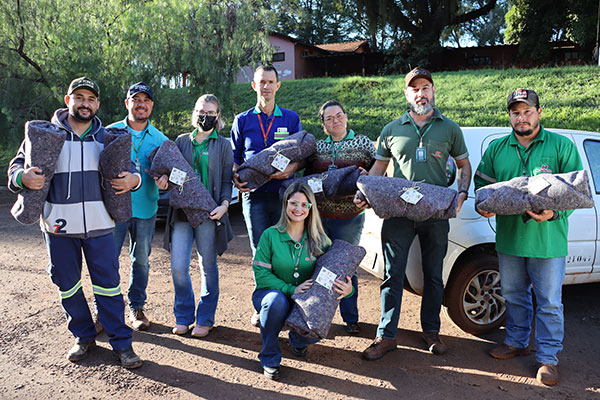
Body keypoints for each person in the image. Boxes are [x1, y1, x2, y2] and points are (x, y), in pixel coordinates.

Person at [7, 77, 143, 368]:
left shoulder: (108, 137)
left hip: (101, 226)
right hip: (58, 227)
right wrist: (22, 178)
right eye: (79, 97)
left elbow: (130, 168)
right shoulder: (45, 135)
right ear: (68, 100)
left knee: (108, 286)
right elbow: (17, 165)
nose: (85, 103)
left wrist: (135, 179)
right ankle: (83, 336)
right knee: (67, 284)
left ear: (97, 105)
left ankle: (121, 343)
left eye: (91, 99)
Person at [354, 67, 471, 360]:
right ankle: (386, 335)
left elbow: (464, 165)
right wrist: (365, 191)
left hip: (435, 214)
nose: (421, 93)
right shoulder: (392, 129)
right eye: (415, 89)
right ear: (407, 94)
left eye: (426, 87)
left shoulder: (450, 128)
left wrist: (462, 192)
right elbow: (379, 169)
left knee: (433, 276)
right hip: (398, 213)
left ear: (434, 91)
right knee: (392, 275)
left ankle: (431, 331)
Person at [474, 89, 582, 386]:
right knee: (513, 295)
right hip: (510, 240)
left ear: (539, 111)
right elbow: (482, 185)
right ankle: (517, 341)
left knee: (548, 302)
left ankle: (548, 359)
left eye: (527, 111)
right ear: (509, 115)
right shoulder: (498, 148)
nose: (521, 118)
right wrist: (485, 206)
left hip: (548, 242)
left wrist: (554, 215)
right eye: (515, 112)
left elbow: (575, 194)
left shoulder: (560, 146)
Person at [252, 182, 353, 380]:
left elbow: (337, 276)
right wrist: (290, 289)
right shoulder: (270, 235)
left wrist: (348, 290)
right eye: (293, 203)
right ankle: (270, 357)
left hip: (305, 300)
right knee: (275, 302)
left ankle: (297, 341)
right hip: (272, 293)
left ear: (311, 208)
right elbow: (261, 275)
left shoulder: (321, 240)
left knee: (319, 322)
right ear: (285, 204)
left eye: (304, 205)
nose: (298, 209)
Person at [231, 65, 303, 326]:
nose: (266, 87)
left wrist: (290, 171)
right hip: (254, 198)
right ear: (254, 85)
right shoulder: (242, 120)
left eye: (271, 82)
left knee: (288, 251)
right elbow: (236, 159)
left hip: (285, 197)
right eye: (262, 82)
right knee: (260, 252)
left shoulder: (291, 119)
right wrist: (236, 177)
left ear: (278, 85)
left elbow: (301, 156)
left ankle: (290, 303)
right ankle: (263, 303)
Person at [304, 100, 375, 334]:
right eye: (329, 119)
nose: (335, 121)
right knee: (318, 264)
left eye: (339, 116)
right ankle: (316, 312)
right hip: (319, 216)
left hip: (350, 217)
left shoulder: (362, 142)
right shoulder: (317, 147)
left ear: (346, 116)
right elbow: (307, 177)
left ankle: (350, 317)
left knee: (345, 265)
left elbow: (379, 169)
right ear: (323, 125)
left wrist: (368, 173)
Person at [165, 94, 234, 338]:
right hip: (183, 214)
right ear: (194, 113)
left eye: (209, 113)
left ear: (217, 116)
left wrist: (225, 205)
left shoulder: (224, 145)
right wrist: (164, 180)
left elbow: (227, 181)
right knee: (178, 267)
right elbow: (171, 174)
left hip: (209, 214)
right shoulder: (181, 141)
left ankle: (205, 317)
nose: (204, 116)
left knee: (208, 266)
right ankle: (183, 316)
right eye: (200, 111)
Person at [107, 82, 169, 331]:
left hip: (145, 210)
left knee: (141, 260)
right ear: (127, 103)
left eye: (146, 100)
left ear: (151, 105)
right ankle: (106, 310)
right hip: (113, 209)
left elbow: (169, 176)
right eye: (136, 99)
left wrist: (165, 182)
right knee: (107, 260)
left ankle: (136, 307)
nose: (141, 103)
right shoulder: (109, 133)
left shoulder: (161, 140)